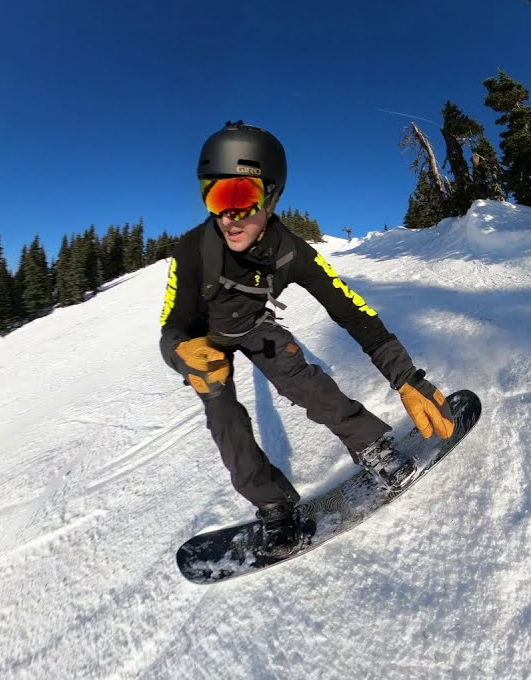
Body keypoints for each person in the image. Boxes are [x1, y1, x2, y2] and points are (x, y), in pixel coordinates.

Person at [159, 121, 456, 558]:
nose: (228, 215)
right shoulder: (191, 250)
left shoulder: (291, 252)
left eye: (241, 197)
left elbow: (353, 312)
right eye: (215, 196)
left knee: (300, 377)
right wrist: (181, 355)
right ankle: (273, 505)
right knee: (223, 418)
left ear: (271, 197)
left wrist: (405, 376)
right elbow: (171, 325)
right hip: (206, 344)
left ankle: (372, 446)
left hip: (256, 328)